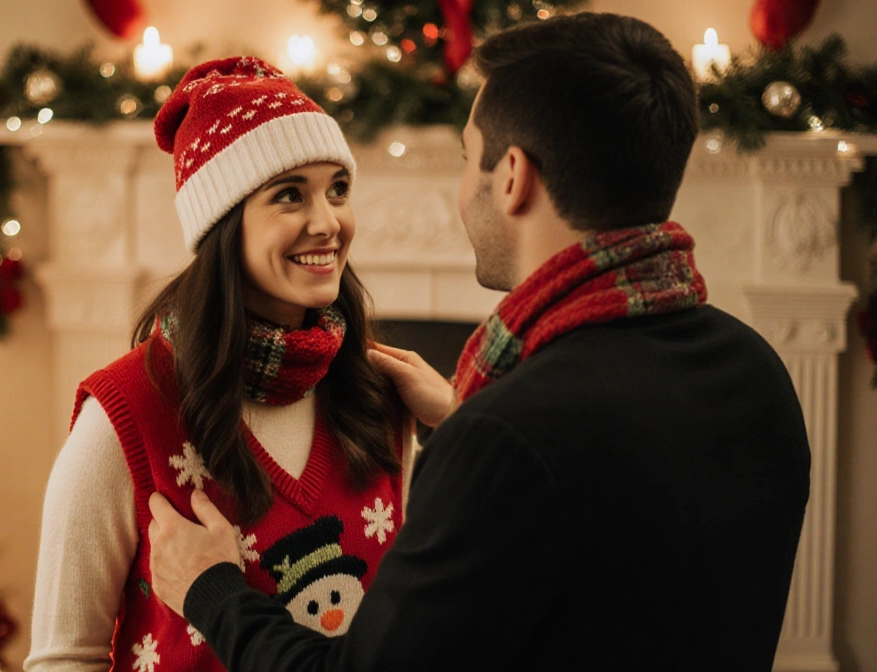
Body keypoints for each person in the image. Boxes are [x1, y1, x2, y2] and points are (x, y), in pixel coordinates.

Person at [146, 12, 811, 671]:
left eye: (470, 159)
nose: (464, 194)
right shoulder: (755, 372)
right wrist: (468, 426)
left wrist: (213, 590)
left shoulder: (508, 440)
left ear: (514, 175)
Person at [24, 56, 414, 671]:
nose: (329, 222)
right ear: (224, 224)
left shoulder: (381, 398)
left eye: (338, 188)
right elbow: (62, 660)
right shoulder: (127, 414)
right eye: (290, 195)